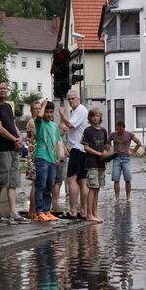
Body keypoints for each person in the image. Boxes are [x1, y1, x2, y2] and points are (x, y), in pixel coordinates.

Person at [0, 81, 28, 223]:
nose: (2, 91)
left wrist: (19, 138)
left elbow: (13, 124)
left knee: (13, 183)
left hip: (13, 149)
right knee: (1, 181)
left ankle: (13, 213)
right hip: (2, 149)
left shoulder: (8, 107)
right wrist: (14, 139)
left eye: (4, 88)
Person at [59, 90, 89, 219]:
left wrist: (61, 114)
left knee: (71, 179)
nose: (70, 101)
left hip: (77, 148)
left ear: (78, 99)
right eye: (69, 99)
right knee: (82, 181)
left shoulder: (80, 110)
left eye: (73, 98)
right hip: (81, 149)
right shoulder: (78, 111)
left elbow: (69, 125)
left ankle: (73, 211)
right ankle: (83, 211)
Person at [33, 101, 62, 221]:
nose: (49, 114)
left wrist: (59, 157)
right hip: (42, 157)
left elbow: (57, 142)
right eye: (47, 111)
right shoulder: (40, 123)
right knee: (41, 184)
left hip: (52, 159)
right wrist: (43, 105)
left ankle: (47, 210)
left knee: (49, 185)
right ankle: (39, 211)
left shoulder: (54, 126)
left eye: (51, 112)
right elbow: (39, 116)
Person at [81, 107, 108, 223]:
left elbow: (106, 146)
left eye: (97, 116)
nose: (95, 118)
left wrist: (106, 153)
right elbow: (85, 147)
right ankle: (89, 214)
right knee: (92, 188)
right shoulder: (88, 131)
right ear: (90, 118)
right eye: (93, 116)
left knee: (97, 189)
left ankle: (95, 213)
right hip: (91, 163)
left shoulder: (103, 131)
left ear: (100, 117)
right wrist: (98, 153)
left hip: (101, 164)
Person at [109, 120, 142, 202]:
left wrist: (132, 151)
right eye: (118, 129)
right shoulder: (113, 134)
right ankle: (116, 198)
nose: (119, 131)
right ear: (116, 128)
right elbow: (107, 142)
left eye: (121, 129)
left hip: (126, 158)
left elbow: (138, 143)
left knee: (128, 178)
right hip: (116, 158)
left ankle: (128, 198)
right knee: (116, 179)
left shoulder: (129, 134)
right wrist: (109, 150)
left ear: (124, 128)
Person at [24, 100, 43, 216]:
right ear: (31, 111)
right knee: (35, 184)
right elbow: (40, 135)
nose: (37, 110)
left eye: (39, 108)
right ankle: (32, 211)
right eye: (35, 108)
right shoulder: (32, 122)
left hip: (39, 154)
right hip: (34, 156)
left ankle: (36, 210)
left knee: (39, 183)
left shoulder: (39, 122)